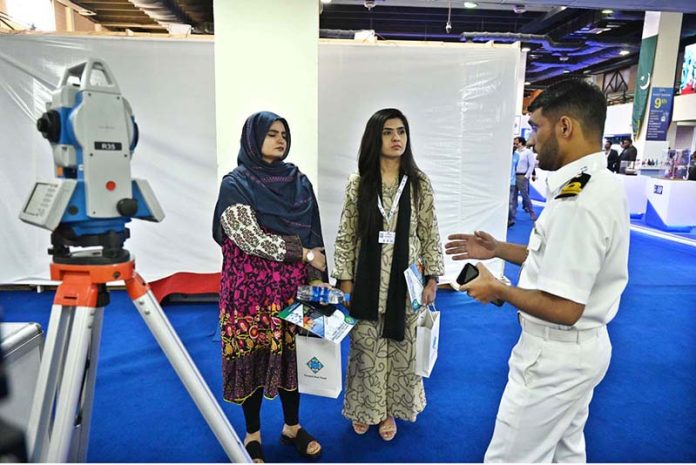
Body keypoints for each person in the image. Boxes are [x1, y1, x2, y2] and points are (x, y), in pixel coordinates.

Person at [445, 79, 629, 462]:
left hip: (555, 357)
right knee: (564, 453)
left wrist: (498, 289)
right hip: (579, 352)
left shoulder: (577, 202)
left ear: (564, 127)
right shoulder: (594, 185)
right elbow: (554, 259)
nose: (530, 139)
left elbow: (566, 308)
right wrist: (498, 249)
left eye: (534, 127)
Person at [212, 111, 326, 463]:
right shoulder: (235, 184)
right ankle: (252, 435)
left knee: (294, 357)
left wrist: (318, 278)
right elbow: (251, 239)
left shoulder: (299, 181)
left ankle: (292, 427)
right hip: (248, 295)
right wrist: (303, 254)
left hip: (291, 290)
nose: (280, 140)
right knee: (253, 358)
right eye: (272, 133)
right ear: (253, 138)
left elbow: (314, 231)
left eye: (284, 134)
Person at [332, 108, 444, 441]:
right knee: (366, 348)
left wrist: (433, 277)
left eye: (402, 132)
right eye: (388, 132)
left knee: (401, 347)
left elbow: (430, 232)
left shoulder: (419, 184)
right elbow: (346, 233)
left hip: (406, 280)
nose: (397, 138)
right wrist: (345, 278)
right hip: (366, 281)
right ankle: (366, 408)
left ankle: (391, 411)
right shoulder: (359, 183)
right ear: (374, 137)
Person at [513, 136, 538, 221]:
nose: (515, 144)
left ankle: (532, 212)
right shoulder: (514, 152)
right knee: (513, 196)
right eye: (514, 143)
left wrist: (527, 176)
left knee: (525, 196)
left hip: (522, 176)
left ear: (521, 142)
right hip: (513, 176)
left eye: (516, 142)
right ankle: (512, 215)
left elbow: (532, 165)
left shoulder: (527, 152)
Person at [508, 145, 520, 227]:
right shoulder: (505, 154)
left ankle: (511, 219)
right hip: (503, 182)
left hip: (512, 182)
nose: (515, 146)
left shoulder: (517, 156)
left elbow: (516, 168)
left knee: (510, 202)